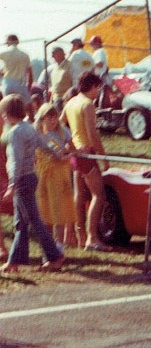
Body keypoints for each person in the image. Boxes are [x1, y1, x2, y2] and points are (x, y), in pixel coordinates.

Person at [0, 95, 65, 273]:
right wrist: (59, 153)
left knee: (34, 221)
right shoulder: (29, 128)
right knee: (21, 222)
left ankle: (55, 256)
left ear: (7, 113)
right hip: (30, 176)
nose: (3, 116)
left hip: (21, 180)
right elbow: (44, 144)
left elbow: (16, 160)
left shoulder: (14, 133)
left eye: (3, 113)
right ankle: (14, 261)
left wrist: (12, 184)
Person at [62, 72, 111, 252]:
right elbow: (92, 134)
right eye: (98, 88)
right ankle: (92, 238)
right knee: (99, 195)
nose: (98, 92)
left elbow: (60, 125)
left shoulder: (71, 102)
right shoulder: (87, 104)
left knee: (80, 195)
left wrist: (69, 145)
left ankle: (79, 235)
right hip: (86, 154)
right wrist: (103, 157)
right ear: (92, 86)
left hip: (76, 154)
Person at [34, 103, 77, 248]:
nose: (53, 121)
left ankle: (58, 246)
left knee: (60, 209)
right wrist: (67, 154)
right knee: (46, 209)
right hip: (45, 176)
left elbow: (72, 148)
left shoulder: (62, 131)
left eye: (55, 118)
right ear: (41, 118)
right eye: (49, 118)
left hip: (60, 175)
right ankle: (48, 245)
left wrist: (71, 151)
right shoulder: (40, 135)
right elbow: (59, 156)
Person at [0, 35, 33, 105]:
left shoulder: (4, 53)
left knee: (7, 107)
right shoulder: (25, 55)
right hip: (21, 84)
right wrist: (28, 88)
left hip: (8, 84)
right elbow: (30, 74)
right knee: (28, 107)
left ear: (8, 41)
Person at [38, 46, 73, 111]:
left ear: (60, 54)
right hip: (55, 99)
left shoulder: (70, 66)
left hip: (65, 100)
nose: (52, 56)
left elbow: (74, 82)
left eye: (53, 54)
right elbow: (54, 85)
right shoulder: (55, 68)